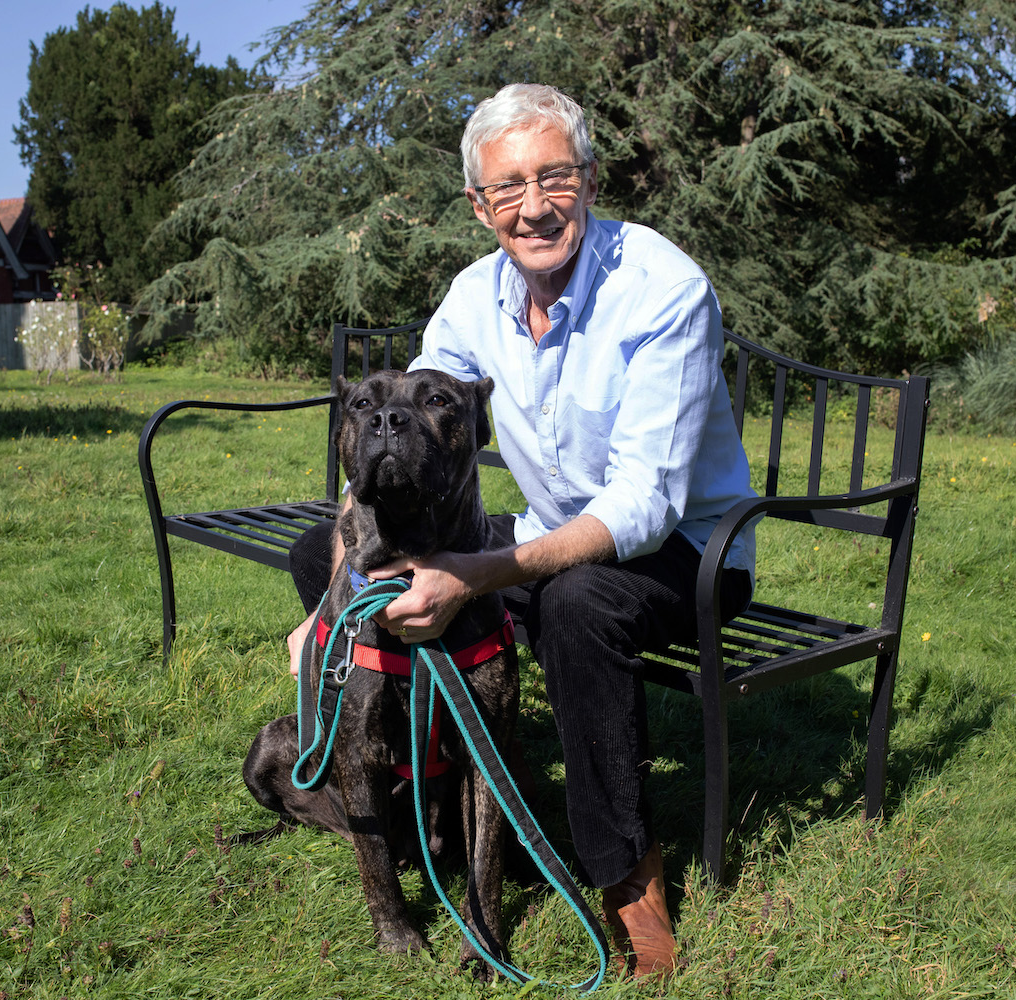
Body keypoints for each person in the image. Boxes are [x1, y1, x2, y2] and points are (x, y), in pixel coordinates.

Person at [286, 83, 757, 978]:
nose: (534, 207)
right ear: (479, 204)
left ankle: (625, 878)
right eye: (508, 189)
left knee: (578, 605)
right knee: (322, 550)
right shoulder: (473, 298)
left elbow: (644, 506)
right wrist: (335, 606)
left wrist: (476, 573)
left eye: (555, 178)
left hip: (688, 554)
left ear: (589, 178)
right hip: (546, 530)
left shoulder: (664, 289)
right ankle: (436, 766)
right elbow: (412, 427)